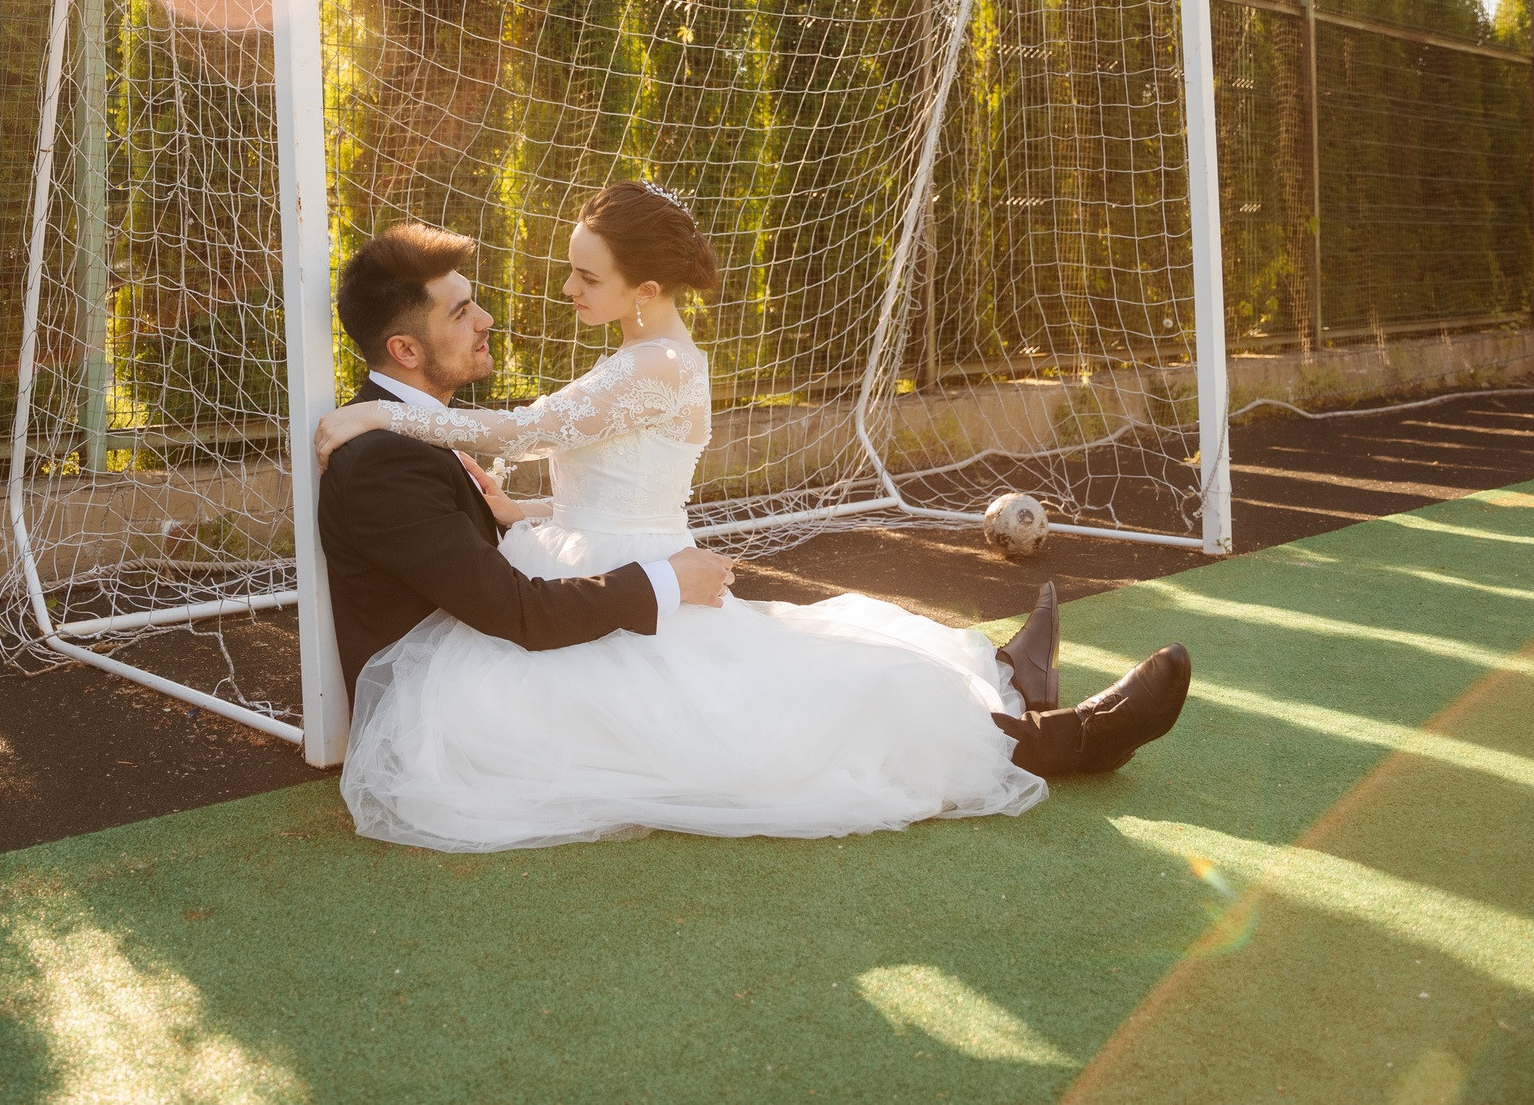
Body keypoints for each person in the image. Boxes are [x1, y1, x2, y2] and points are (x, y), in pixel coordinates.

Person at [313, 182, 1190, 853]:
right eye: (463, 309)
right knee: (771, 717)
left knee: (788, 675)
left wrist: (462, 471)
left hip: (551, 602)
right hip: (476, 674)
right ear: (405, 348)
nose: (496, 312)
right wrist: (596, 544)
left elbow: (524, 441)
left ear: (642, 286)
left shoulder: (635, 367)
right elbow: (516, 563)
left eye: (585, 273)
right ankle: (1053, 737)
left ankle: (1009, 692)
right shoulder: (387, 453)